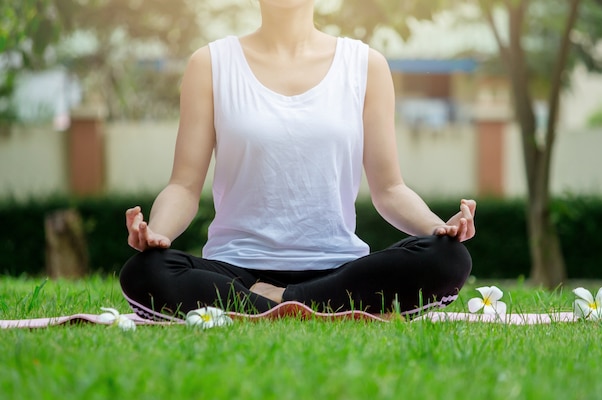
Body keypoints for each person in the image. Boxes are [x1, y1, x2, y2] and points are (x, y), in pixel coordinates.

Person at [120, 0, 476, 320]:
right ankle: (318, 306)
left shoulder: (366, 65)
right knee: (145, 271)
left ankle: (279, 301)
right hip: (235, 270)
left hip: (337, 270)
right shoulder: (210, 64)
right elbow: (183, 186)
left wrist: (437, 228)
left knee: (448, 258)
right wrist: (158, 234)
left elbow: (390, 189)